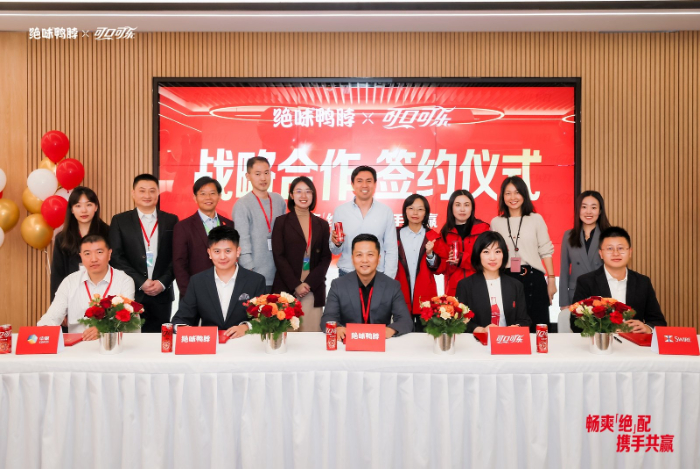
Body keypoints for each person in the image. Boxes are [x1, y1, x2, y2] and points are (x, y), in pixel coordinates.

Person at [109, 174, 179, 332]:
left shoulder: (171, 220)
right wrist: (141, 281)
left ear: (158, 193)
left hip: (162, 295)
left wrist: (163, 282)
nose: (147, 195)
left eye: (152, 191)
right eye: (142, 190)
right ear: (133, 193)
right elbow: (116, 257)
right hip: (131, 293)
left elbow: (177, 256)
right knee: (132, 338)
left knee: (160, 340)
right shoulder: (120, 221)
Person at [172, 226, 267, 338]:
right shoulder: (197, 282)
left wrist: (246, 327)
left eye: (228, 251)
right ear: (209, 253)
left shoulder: (256, 281)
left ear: (238, 251)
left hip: (244, 341)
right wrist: (183, 328)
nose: (222, 257)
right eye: (217, 251)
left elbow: (265, 317)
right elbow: (181, 318)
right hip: (210, 343)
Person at [570, 226, 667, 333]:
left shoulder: (643, 282)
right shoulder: (586, 282)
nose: (616, 253)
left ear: (630, 252)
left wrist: (647, 328)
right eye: (609, 249)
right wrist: (609, 329)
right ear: (601, 254)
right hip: (602, 342)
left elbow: (659, 321)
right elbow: (576, 324)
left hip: (633, 341)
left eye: (620, 248)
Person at [38, 235, 135, 340]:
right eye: (87, 254)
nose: (93, 259)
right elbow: (53, 315)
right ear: (81, 256)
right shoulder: (70, 282)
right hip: (77, 344)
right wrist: (44, 329)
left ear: (109, 254)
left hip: (112, 343)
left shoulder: (124, 281)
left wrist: (103, 330)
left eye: (99, 252)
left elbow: (127, 318)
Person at [490, 176, 556, 332]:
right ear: (502, 197)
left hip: (534, 279)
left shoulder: (536, 219)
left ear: (524, 194)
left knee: (538, 326)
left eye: (517, 192)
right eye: (508, 193)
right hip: (507, 279)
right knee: (511, 328)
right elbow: (494, 256)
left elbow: (545, 250)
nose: (513, 197)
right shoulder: (496, 222)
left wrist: (551, 280)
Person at [320, 233, 413, 342]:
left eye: (370, 255)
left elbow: (405, 321)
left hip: (379, 343)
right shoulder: (338, 285)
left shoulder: (392, 286)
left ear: (378, 258)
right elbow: (328, 318)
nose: (364, 260)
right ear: (352, 258)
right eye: (359, 255)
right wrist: (337, 328)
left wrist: (390, 330)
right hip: (349, 343)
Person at [271, 177, 332, 332]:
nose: (303, 196)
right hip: (287, 288)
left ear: (313, 195)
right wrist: (296, 284)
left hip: (312, 288)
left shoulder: (322, 225)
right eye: (298, 191)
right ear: (292, 195)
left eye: (308, 191)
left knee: (311, 337)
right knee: (287, 336)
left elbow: (326, 258)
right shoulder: (281, 222)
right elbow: (278, 255)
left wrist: (309, 283)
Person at [329, 165, 398, 278]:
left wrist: (388, 279)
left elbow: (391, 249)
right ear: (352, 184)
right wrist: (337, 243)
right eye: (359, 181)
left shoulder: (385, 211)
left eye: (369, 181)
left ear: (375, 184)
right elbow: (335, 251)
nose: (364, 185)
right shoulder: (341, 211)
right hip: (347, 273)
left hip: (377, 274)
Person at [455, 231, 531, 333]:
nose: (492, 258)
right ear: (478, 254)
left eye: (497, 252)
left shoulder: (515, 285)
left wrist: (516, 327)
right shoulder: (465, 285)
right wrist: (481, 330)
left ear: (504, 254)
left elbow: (524, 320)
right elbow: (459, 321)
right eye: (486, 252)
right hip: (477, 340)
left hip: (507, 339)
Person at [232, 156, 287, 292]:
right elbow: (242, 240)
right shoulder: (242, 204)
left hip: (280, 274)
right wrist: (249, 271)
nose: (263, 178)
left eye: (266, 173)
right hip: (255, 275)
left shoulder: (278, 200)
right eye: (257, 174)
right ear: (248, 176)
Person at [173, 176, 234, 297]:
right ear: (195, 197)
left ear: (219, 196)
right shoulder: (183, 227)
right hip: (195, 291)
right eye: (203, 194)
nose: (208, 198)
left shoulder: (229, 225)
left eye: (212, 193)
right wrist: (189, 294)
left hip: (225, 291)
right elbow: (179, 264)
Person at [50, 186, 110, 301]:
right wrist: (58, 305)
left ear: (96, 207)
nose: (84, 210)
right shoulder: (62, 238)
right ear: (72, 209)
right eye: (78, 206)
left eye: (88, 205)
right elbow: (57, 276)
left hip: (103, 297)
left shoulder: (108, 233)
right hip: (73, 298)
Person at [395, 194, 441, 332]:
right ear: (405, 211)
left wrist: (430, 254)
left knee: (425, 336)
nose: (415, 213)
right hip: (400, 291)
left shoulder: (433, 236)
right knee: (402, 334)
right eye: (411, 208)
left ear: (426, 213)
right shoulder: (395, 234)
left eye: (420, 209)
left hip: (425, 293)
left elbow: (439, 268)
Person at [559, 190, 611, 309]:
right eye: (584, 207)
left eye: (593, 207)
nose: (588, 211)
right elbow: (564, 271)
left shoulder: (609, 235)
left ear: (600, 211)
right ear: (578, 210)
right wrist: (564, 302)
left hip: (603, 295)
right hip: (576, 294)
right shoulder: (568, 236)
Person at [432, 190, 490, 296]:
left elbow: (488, 261)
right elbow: (442, 269)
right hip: (454, 290)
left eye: (466, 205)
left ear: (472, 208)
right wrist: (433, 258)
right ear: (451, 207)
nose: (462, 209)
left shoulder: (483, 229)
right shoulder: (445, 232)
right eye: (458, 205)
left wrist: (461, 258)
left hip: (480, 286)